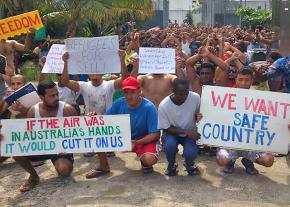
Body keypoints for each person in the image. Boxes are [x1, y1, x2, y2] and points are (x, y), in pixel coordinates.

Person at [61, 51, 129, 178]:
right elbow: (65, 82)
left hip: (107, 122)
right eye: (92, 72)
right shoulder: (84, 86)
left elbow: (125, 79)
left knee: (106, 146)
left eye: (98, 72)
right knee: (91, 147)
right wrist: (65, 62)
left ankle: (106, 150)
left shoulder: (109, 85)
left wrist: (122, 60)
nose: (95, 75)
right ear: (88, 74)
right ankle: (97, 150)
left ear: (102, 73)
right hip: (90, 122)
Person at [0, 81, 77, 192]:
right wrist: (8, 136)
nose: (56, 98)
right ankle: (33, 176)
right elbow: (30, 134)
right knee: (15, 149)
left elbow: (78, 133)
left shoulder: (68, 110)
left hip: (62, 148)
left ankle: (59, 162)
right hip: (41, 147)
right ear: (41, 97)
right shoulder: (33, 111)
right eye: (51, 95)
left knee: (64, 171)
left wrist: (66, 148)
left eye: (57, 94)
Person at [216, 68, 274, 175]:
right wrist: (203, 117)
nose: (243, 83)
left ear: (252, 81)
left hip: (252, 141)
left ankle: (248, 160)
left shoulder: (261, 98)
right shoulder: (225, 96)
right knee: (221, 159)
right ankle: (230, 161)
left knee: (268, 160)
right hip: (230, 141)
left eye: (247, 80)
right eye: (240, 79)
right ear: (236, 79)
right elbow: (215, 116)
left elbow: (271, 120)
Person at [104, 76, 160, 174]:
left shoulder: (149, 107)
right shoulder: (119, 103)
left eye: (132, 92)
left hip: (143, 139)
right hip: (124, 138)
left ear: (139, 91)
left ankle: (144, 158)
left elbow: (155, 134)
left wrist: (137, 142)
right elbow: (104, 120)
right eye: (126, 92)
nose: (129, 96)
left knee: (149, 159)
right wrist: (94, 118)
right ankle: (103, 165)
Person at [158, 78, 201, 176]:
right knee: (169, 146)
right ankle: (172, 164)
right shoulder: (164, 106)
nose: (184, 97)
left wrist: (199, 117)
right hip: (172, 133)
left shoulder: (195, 98)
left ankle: (189, 164)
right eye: (181, 94)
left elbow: (198, 114)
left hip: (189, 132)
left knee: (191, 153)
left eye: (186, 93)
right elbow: (166, 128)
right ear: (173, 91)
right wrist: (186, 132)